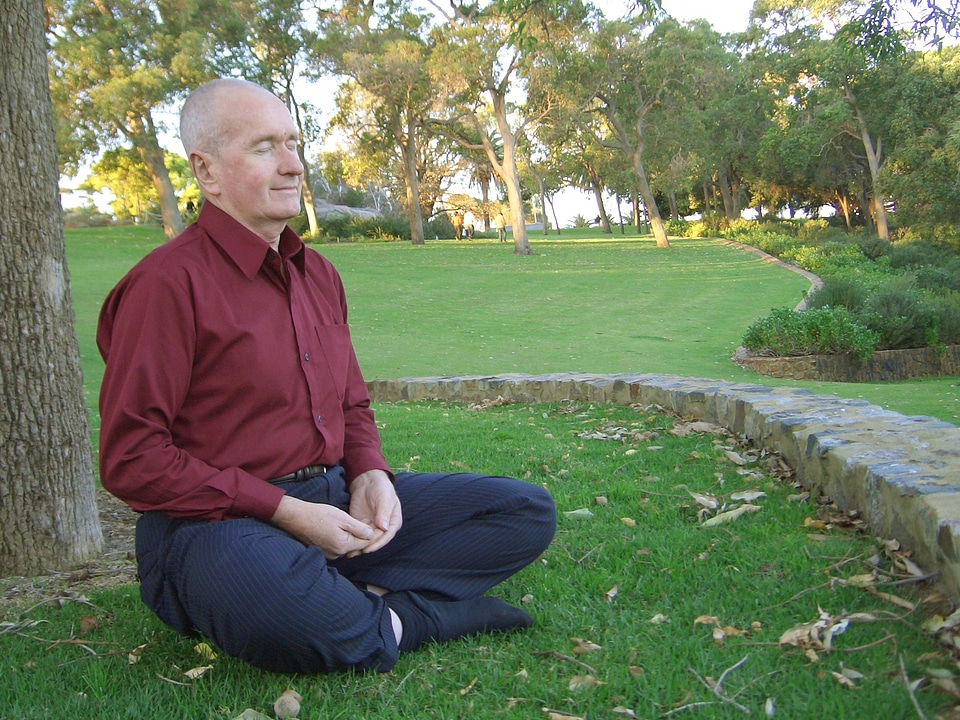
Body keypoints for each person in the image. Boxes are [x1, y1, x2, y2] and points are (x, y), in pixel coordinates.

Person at [96, 78, 556, 675]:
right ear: (206, 171)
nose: (293, 165)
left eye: (293, 143)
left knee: (523, 512)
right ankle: (413, 619)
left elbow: (351, 404)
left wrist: (370, 473)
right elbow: (133, 459)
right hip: (217, 528)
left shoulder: (318, 276)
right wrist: (284, 511)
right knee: (267, 595)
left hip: (331, 499)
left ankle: (349, 598)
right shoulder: (166, 286)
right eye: (265, 148)